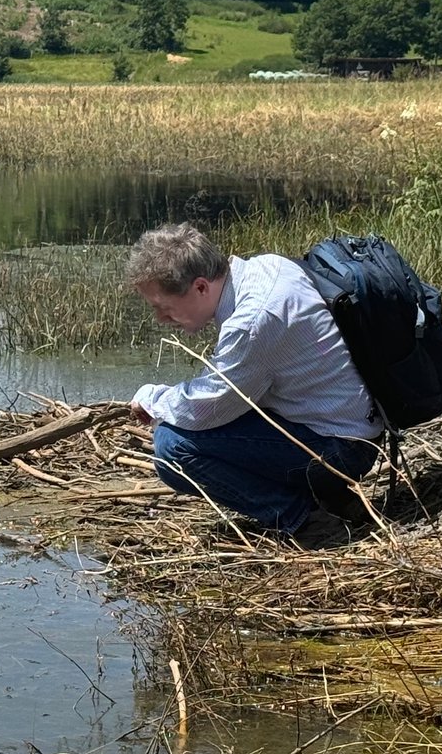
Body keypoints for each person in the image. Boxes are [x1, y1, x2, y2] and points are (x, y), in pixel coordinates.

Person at [124, 223, 382, 547]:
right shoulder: (265, 267)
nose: (161, 318)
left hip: (340, 451)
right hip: (347, 430)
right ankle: (331, 498)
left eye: (163, 307)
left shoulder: (253, 321)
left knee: (172, 448)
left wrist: (152, 398)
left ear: (201, 287)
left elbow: (209, 408)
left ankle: (304, 520)